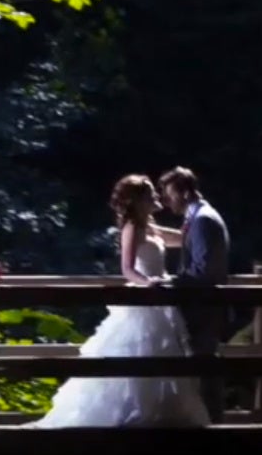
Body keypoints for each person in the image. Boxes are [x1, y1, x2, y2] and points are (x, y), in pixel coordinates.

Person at [26, 174, 212, 428]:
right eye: (150, 194)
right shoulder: (132, 228)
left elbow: (183, 238)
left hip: (162, 300)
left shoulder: (151, 227)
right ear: (137, 201)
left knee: (165, 356)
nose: (157, 197)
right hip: (145, 297)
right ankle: (130, 417)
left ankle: (161, 416)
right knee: (138, 353)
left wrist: (197, 213)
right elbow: (127, 269)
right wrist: (148, 284)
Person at [160, 165, 230, 423]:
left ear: (186, 192)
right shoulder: (198, 217)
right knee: (201, 367)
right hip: (202, 307)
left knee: (205, 367)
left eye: (171, 195)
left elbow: (204, 271)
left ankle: (213, 426)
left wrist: (170, 283)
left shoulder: (203, 220)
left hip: (204, 307)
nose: (167, 202)